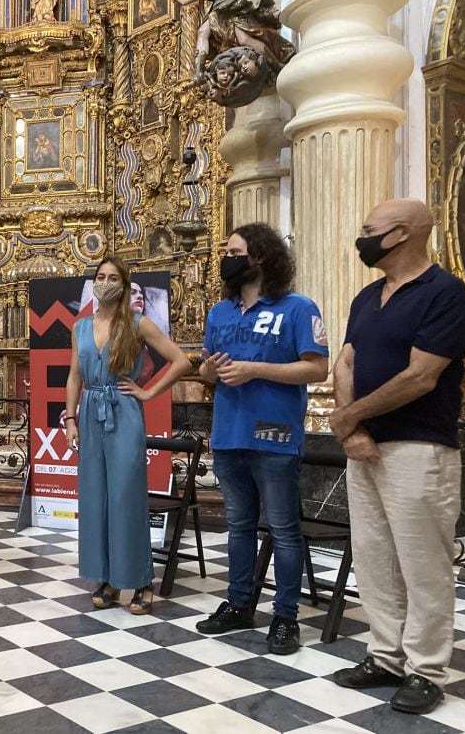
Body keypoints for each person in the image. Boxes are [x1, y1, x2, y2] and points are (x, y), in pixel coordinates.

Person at [329, 198, 465, 715]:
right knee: (375, 558)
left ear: (401, 233)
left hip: (419, 446)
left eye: (370, 229)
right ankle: (384, 655)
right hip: (363, 446)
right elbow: (346, 362)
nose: (362, 237)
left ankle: (426, 669)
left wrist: (348, 418)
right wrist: (352, 427)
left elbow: (422, 375)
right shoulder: (367, 297)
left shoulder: (446, 293)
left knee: (424, 563)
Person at [195, 223, 329, 654]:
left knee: (284, 530)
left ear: (261, 257)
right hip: (229, 432)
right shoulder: (220, 313)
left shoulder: (297, 308)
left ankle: (285, 616)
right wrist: (212, 370)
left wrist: (256, 370)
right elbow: (205, 372)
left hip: (274, 432)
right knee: (237, 526)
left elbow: (316, 368)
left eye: (235, 251)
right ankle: (239, 603)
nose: (227, 258)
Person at [64, 258, 189, 614]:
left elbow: (180, 361)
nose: (106, 282)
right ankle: (106, 578)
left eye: (113, 277)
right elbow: (74, 376)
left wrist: (148, 392)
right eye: (100, 277)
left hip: (123, 411)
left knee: (125, 498)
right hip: (89, 413)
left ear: (124, 283)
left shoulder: (138, 323)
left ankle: (141, 580)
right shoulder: (81, 326)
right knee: (96, 499)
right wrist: (71, 419)